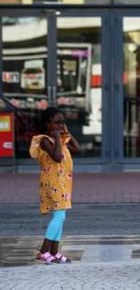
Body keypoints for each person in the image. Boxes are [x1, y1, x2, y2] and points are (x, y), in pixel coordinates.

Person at [30, 107, 80, 264]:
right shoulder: (44, 140)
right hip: (53, 183)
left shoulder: (61, 140)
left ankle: (54, 252)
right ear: (47, 124)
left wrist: (66, 133)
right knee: (59, 216)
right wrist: (58, 138)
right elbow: (57, 157)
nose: (60, 126)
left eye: (62, 123)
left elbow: (77, 148)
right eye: (56, 123)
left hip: (63, 183)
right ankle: (43, 252)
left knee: (60, 217)